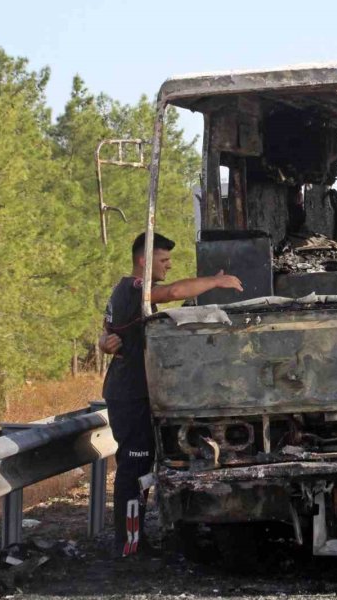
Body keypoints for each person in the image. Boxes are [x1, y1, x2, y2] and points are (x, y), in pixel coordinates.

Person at [99, 231, 242, 558]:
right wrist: (214, 282)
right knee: (133, 468)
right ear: (143, 261)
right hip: (129, 394)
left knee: (139, 466)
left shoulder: (123, 292)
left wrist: (104, 343)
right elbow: (174, 291)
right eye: (163, 260)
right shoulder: (134, 289)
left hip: (132, 390)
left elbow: (107, 333)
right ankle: (128, 544)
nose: (168, 265)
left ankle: (134, 539)